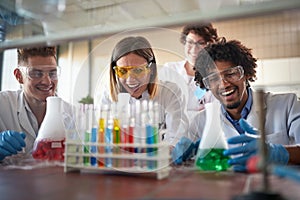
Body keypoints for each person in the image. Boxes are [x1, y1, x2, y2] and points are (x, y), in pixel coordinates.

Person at [174, 38, 300, 170]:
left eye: (231, 74)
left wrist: (278, 153)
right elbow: (188, 167)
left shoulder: (288, 105)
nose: (223, 84)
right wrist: (182, 156)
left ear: (246, 74)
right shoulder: (200, 122)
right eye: (213, 79)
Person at [102, 36, 189, 146]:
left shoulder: (169, 92)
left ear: (151, 69)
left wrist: (154, 155)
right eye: (122, 71)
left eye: (138, 70)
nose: (130, 80)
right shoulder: (108, 96)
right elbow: (106, 140)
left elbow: (176, 138)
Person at [0, 46, 73, 162]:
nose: (47, 81)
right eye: (36, 73)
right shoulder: (2, 104)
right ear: (19, 76)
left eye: (52, 73)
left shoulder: (71, 114)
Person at [159, 22, 218, 121]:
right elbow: (161, 108)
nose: (194, 48)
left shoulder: (215, 76)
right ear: (184, 43)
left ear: (210, 44)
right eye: (190, 42)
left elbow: (214, 113)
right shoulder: (170, 70)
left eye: (201, 43)